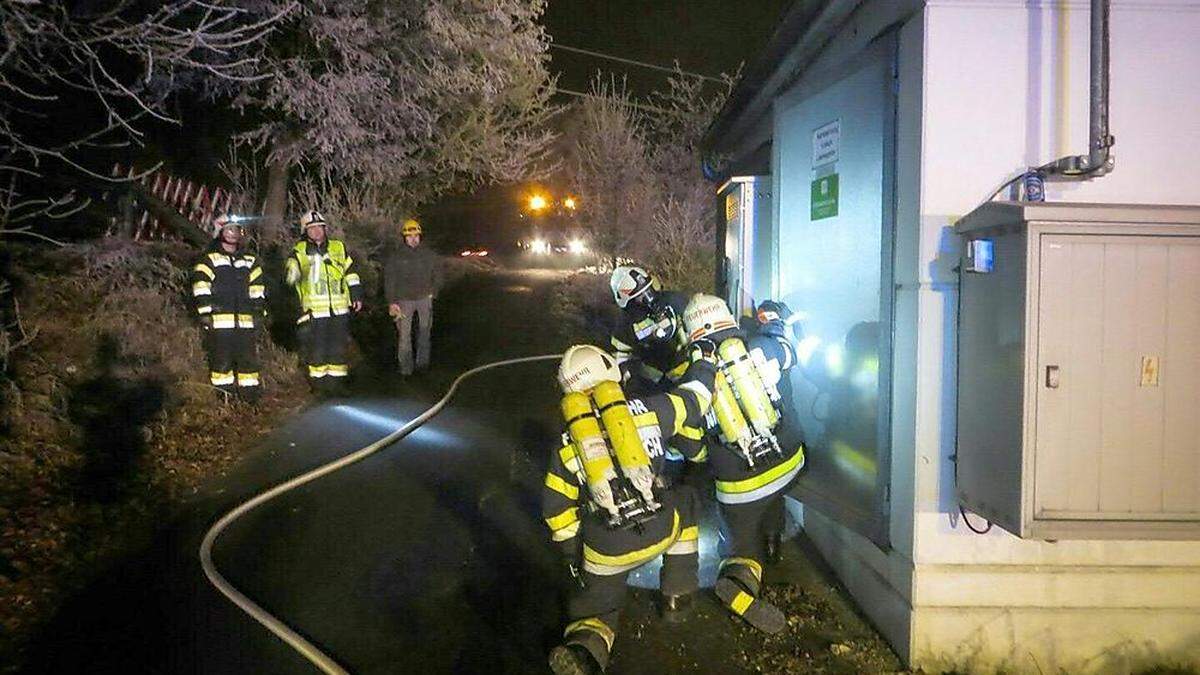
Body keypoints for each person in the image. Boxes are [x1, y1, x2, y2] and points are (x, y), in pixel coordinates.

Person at [544, 344, 716, 675]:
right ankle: (677, 595)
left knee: (595, 608)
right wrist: (704, 363)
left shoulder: (567, 443)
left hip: (605, 547)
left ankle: (587, 646)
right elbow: (694, 401)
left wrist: (573, 555)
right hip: (661, 524)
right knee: (687, 500)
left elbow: (557, 510)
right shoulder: (651, 411)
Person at [678, 294, 806, 635]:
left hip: (741, 488)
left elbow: (693, 450)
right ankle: (775, 538)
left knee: (739, 542)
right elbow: (794, 349)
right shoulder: (764, 347)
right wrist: (776, 322)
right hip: (790, 461)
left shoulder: (693, 379)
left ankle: (741, 578)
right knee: (774, 490)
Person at [284, 210, 363, 395]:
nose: (317, 232)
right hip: (315, 311)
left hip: (339, 309)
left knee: (338, 349)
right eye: (312, 229)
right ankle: (319, 387)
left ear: (325, 228)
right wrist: (293, 273)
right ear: (305, 232)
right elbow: (290, 278)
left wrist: (356, 295)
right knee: (317, 350)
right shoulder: (299, 252)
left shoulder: (338, 247)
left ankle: (336, 385)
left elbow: (351, 273)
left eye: (319, 227)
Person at [190, 213, 266, 401]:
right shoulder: (209, 260)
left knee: (248, 363)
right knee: (221, 363)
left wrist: (259, 312)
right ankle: (225, 399)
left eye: (237, 230)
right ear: (220, 232)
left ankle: (249, 399)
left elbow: (257, 289)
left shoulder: (250, 260)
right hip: (219, 322)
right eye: (229, 229)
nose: (233, 234)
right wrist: (205, 313)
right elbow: (201, 288)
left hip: (246, 322)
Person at [607, 265, 689, 395]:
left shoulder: (675, 301)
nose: (648, 299)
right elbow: (620, 356)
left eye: (649, 291)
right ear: (628, 302)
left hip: (688, 371)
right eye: (640, 297)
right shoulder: (625, 325)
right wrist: (631, 380)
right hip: (653, 386)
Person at [383, 218, 442, 375]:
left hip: (424, 299)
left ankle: (422, 365)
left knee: (424, 332)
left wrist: (433, 292)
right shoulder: (395, 257)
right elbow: (390, 280)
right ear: (404, 237)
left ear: (420, 236)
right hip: (403, 302)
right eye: (410, 236)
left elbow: (438, 274)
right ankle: (406, 368)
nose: (413, 238)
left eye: (416, 235)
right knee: (404, 335)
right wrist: (392, 302)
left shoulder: (429, 255)